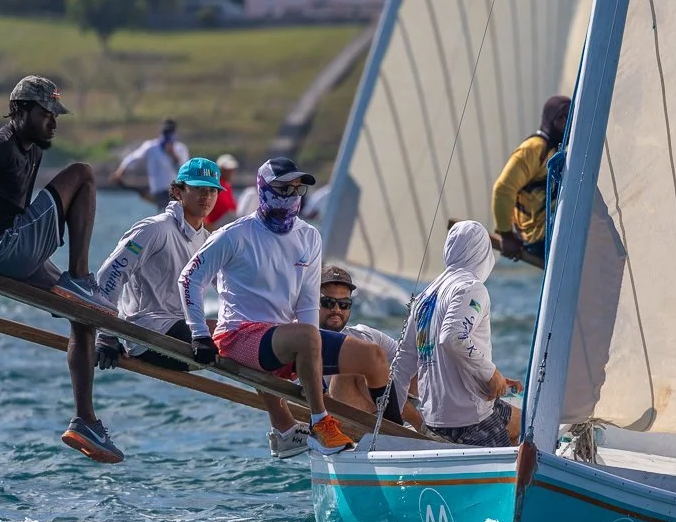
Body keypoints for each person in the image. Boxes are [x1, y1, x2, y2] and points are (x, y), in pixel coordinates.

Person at [0, 75, 123, 463]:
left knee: (83, 314)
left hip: (14, 247)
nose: (53, 121)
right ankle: (80, 279)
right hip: (4, 249)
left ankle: (85, 420)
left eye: (56, 114)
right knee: (83, 174)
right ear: (19, 112)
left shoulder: (31, 147)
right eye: (46, 113)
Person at [177, 157, 391, 457]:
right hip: (238, 337)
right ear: (264, 189)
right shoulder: (234, 235)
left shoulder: (309, 236)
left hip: (288, 340)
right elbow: (189, 279)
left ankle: (394, 435)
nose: (291, 196)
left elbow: (306, 301)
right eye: (283, 188)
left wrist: (313, 363)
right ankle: (320, 425)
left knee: (374, 356)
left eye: (297, 189)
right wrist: (199, 333)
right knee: (305, 336)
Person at [392, 220, 522, 447]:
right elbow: (453, 337)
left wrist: (390, 418)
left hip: (435, 418)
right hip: (469, 419)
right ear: (483, 252)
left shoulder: (425, 296)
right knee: (523, 453)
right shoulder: (471, 287)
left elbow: (403, 362)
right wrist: (491, 374)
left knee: (522, 422)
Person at [93, 158, 219, 373]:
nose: (206, 196)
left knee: (243, 336)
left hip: (182, 328)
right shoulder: (154, 230)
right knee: (233, 347)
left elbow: (230, 289)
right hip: (147, 334)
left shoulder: (207, 240)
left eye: (212, 190)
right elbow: (110, 273)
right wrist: (106, 334)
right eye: (198, 189)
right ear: (177, 192)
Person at [319, 265, 423, 431]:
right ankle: (419, 425)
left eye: (344, 304)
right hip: (339, 424)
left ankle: (428, 423)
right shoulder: (299, 340)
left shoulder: (364, 334)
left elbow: (410, 360)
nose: (336, 310)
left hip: (385, 412)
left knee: (416, 354)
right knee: (358, 361)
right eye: (328, 302)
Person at [492, 95, 569, 262]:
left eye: (569, 117)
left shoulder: (559, 150)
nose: (566, 123)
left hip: (554, 231)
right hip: (538, 237)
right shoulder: (534, 149)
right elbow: (503, 189)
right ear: (549, 120)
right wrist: (506, 235)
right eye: (561, 117)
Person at [111, 118, 189, 209]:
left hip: (176, 192)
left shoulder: (181, 149)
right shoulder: (152, 147)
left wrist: (174, 156)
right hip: (159, 192)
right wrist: (121, 171)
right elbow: (134, 158)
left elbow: (185, 173)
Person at [204, 154, 239, 231]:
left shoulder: (227, 186)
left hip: (223, 224)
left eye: (232, 169)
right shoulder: (214, 185)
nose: (230, 172)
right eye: (227, 169)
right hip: (213, 226)